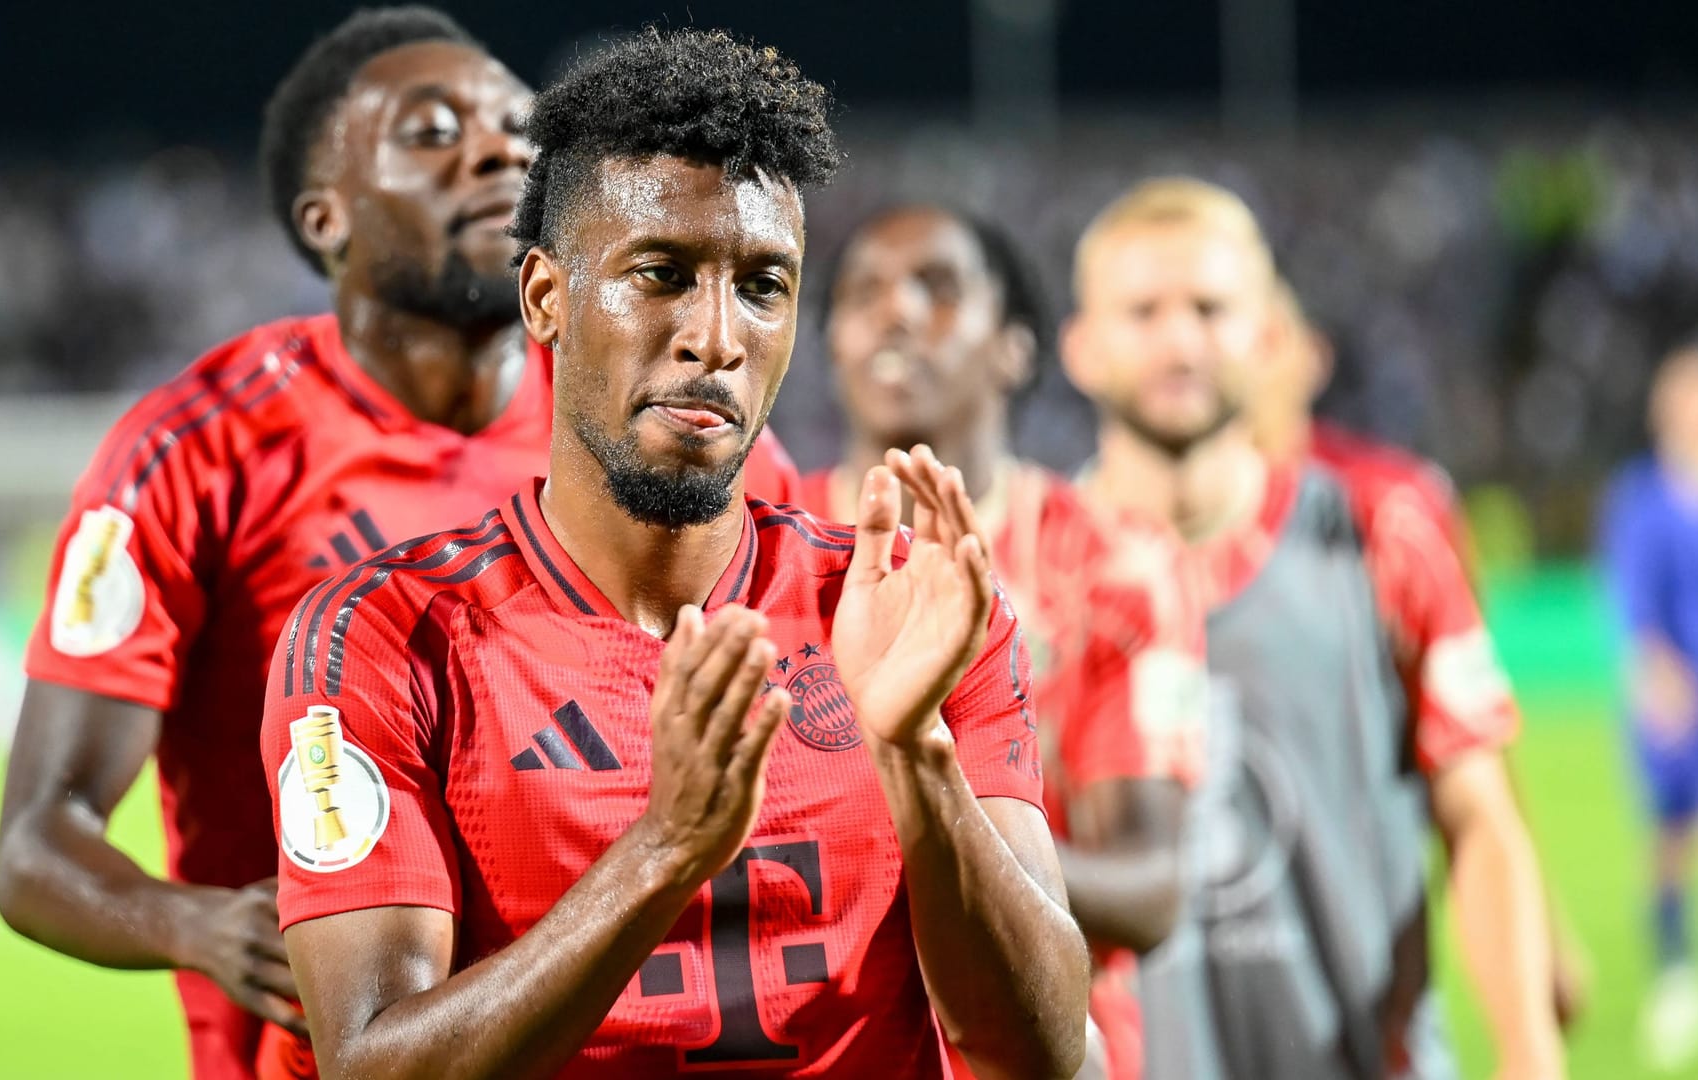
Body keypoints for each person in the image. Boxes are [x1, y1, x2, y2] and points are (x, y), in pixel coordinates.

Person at [261, 30, 1087, 1079]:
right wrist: (665, 849)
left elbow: (1047, 1052)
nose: (717, 337)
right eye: (662, 273)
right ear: (545, 299)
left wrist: (918, 757)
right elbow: (371, 1065)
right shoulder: (378, 639)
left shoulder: (899, 611)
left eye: (763, 285)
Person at [0, 9, 802, 1078]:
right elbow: (35, 844)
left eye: (518, 126)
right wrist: (193, 927)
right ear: (325, 217)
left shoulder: (667, 431)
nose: (495, 150)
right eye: (430, 132)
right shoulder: (198, 452)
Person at [1061, 177, 1563, 1079]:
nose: (1180, 340)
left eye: (1210, 308)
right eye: (1144, 312)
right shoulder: (1027, 575)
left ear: (1265, 337)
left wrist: (1530, 1054)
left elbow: (1480, 815)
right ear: (1082, 348)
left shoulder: (1382, 534)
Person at [810, 203, 1204, 1080]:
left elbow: (1150, 886)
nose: (897, 311)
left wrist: (928, 842)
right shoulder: (761, 558)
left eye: (938, 287)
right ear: (831, 342)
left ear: (1013, 347)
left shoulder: (1117, 567)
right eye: (863, 292)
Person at [1252, 279, 1591, 1036]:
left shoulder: (1394, 505)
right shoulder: (1140, 528)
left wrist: (1542, 932)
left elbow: (1471, 752)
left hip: (1371, 955)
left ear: (1314, 357)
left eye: (1272, 333)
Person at [1601, 342, 1698, 1070]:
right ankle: (1677, 977)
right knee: (1670, 844)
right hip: (1673, 702)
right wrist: (1656, 675)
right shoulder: (1643, 498)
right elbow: (1633, 600)